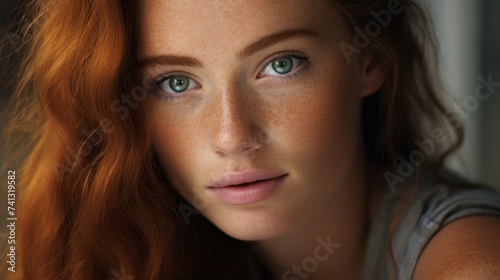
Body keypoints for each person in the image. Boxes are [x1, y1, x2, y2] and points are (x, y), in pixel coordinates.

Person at [2, 0, 500, 279]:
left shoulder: (470, 261)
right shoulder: (140, 249)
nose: (232, 137)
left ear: (367, 60)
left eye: (280, 64)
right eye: (176, 82)